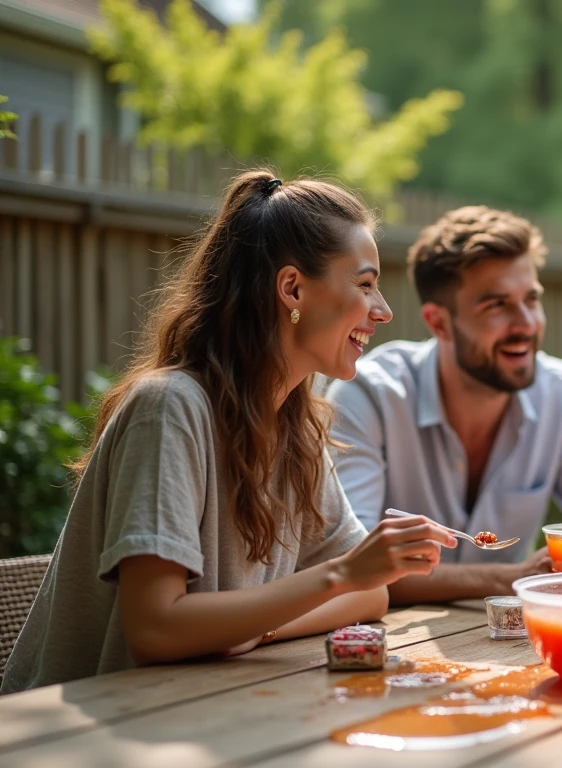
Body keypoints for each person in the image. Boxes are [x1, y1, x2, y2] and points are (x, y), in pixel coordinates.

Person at [1, 172, 456, 695]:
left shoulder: (296, 429)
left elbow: (370, 597)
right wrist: (341, 575)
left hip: (204, 712)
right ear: (292, 288)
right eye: (365, 284)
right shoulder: (170, 408)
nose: (383, 311)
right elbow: (154, 628)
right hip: (75, 736)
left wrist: (255, 628)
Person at [326, 206, 562, 605]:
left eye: (531, 300)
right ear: (438, 323)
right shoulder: (370, 393)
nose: (525, 324)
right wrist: (516, 576)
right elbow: (353, 564)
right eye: (497, 306)